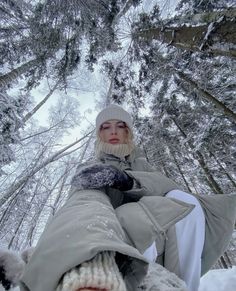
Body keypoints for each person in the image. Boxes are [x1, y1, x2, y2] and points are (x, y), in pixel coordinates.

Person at [18, 104, 236, 291]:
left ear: (128, 132)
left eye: (120, 126)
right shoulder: (93, 168)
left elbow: (168, 187)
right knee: (130, 213)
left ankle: (182, 285)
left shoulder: (143, 165)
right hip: (112, 241)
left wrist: (127, 181)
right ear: (99, 135)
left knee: (185, 201)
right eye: (106, 126)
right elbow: (84, 204)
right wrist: (82, 252)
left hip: (161, 247)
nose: (113, 131)